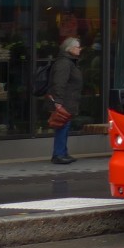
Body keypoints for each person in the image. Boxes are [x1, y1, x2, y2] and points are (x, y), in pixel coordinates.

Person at [47, 37, 83, 165]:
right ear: (70, 48)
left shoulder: (68, 62)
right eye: (78, 47)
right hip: (64, 101)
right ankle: (59, 154)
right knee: (62, 126)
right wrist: (58, 101)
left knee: (64, 127)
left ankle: (62, 152)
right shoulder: (64, 63)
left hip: (68, 100)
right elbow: (59, 83)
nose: (80, 49)